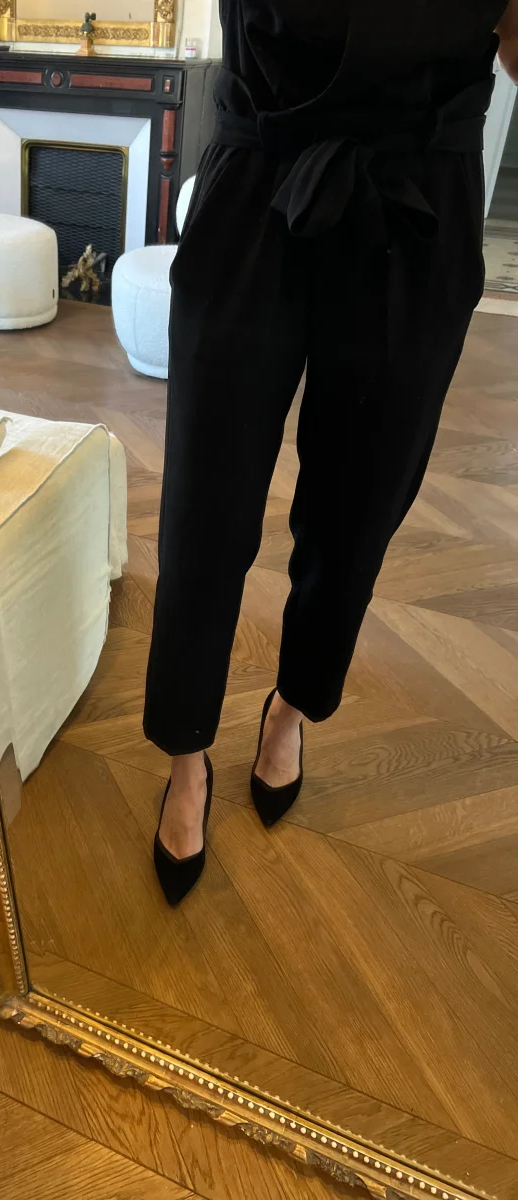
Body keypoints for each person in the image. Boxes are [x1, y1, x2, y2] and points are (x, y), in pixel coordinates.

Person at [146, 0, 518, 906]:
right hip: (256, 168)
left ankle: (292, 707)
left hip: (419, 193)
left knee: (360, 507)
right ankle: (187, 752)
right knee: (204, 502)